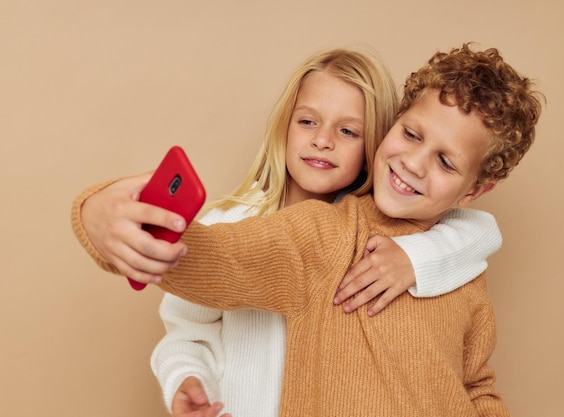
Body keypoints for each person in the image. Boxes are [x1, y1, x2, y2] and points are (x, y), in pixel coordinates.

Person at [71, 45, 515, 416]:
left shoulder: (458, 263)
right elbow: (213, 269)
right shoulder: (324, 233)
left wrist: (420, 258)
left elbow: (475, 382)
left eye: (347, 130)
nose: (323, 140)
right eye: (413, 136)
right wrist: (97, 214)